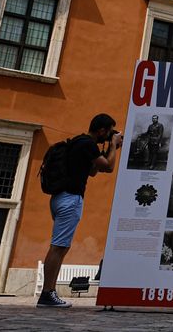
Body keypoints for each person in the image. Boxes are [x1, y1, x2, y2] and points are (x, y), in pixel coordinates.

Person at [38, 113, 121, 308]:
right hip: (70, 199)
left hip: (60, 198)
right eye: (108, 132)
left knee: (61, 246)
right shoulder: (87, 144)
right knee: (58, 247)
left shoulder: (79, 142)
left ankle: (48, 293)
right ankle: (47, 293)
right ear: (101, 130)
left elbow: (93, 171)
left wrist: (109, 147)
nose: (109, 135)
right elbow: (108, 167)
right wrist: (114, 145)